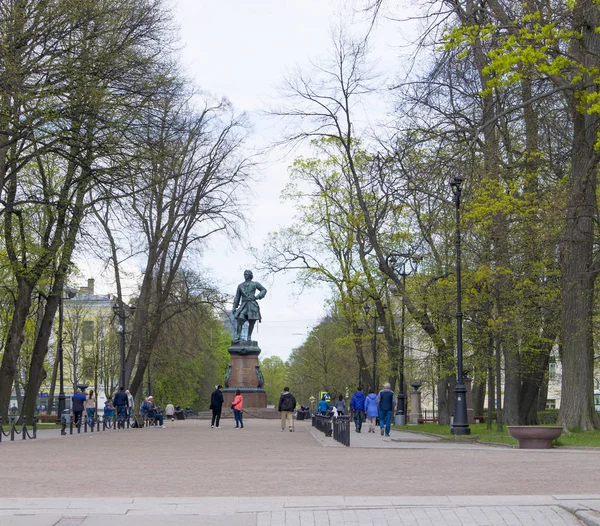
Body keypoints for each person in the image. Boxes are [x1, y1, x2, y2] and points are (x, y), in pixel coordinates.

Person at [231, 270, 267, 342]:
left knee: (252, 321)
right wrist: (234, 307)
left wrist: (257, 297)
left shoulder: (255, 284)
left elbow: (264, 290)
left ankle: (249, 336)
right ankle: (238, 336)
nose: (245, 276)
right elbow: (237, 296)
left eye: (247, 274)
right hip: (244, 305)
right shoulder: (240, 286)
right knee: (240, 319)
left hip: (252, 304)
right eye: (244, 274)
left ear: (250, 275)